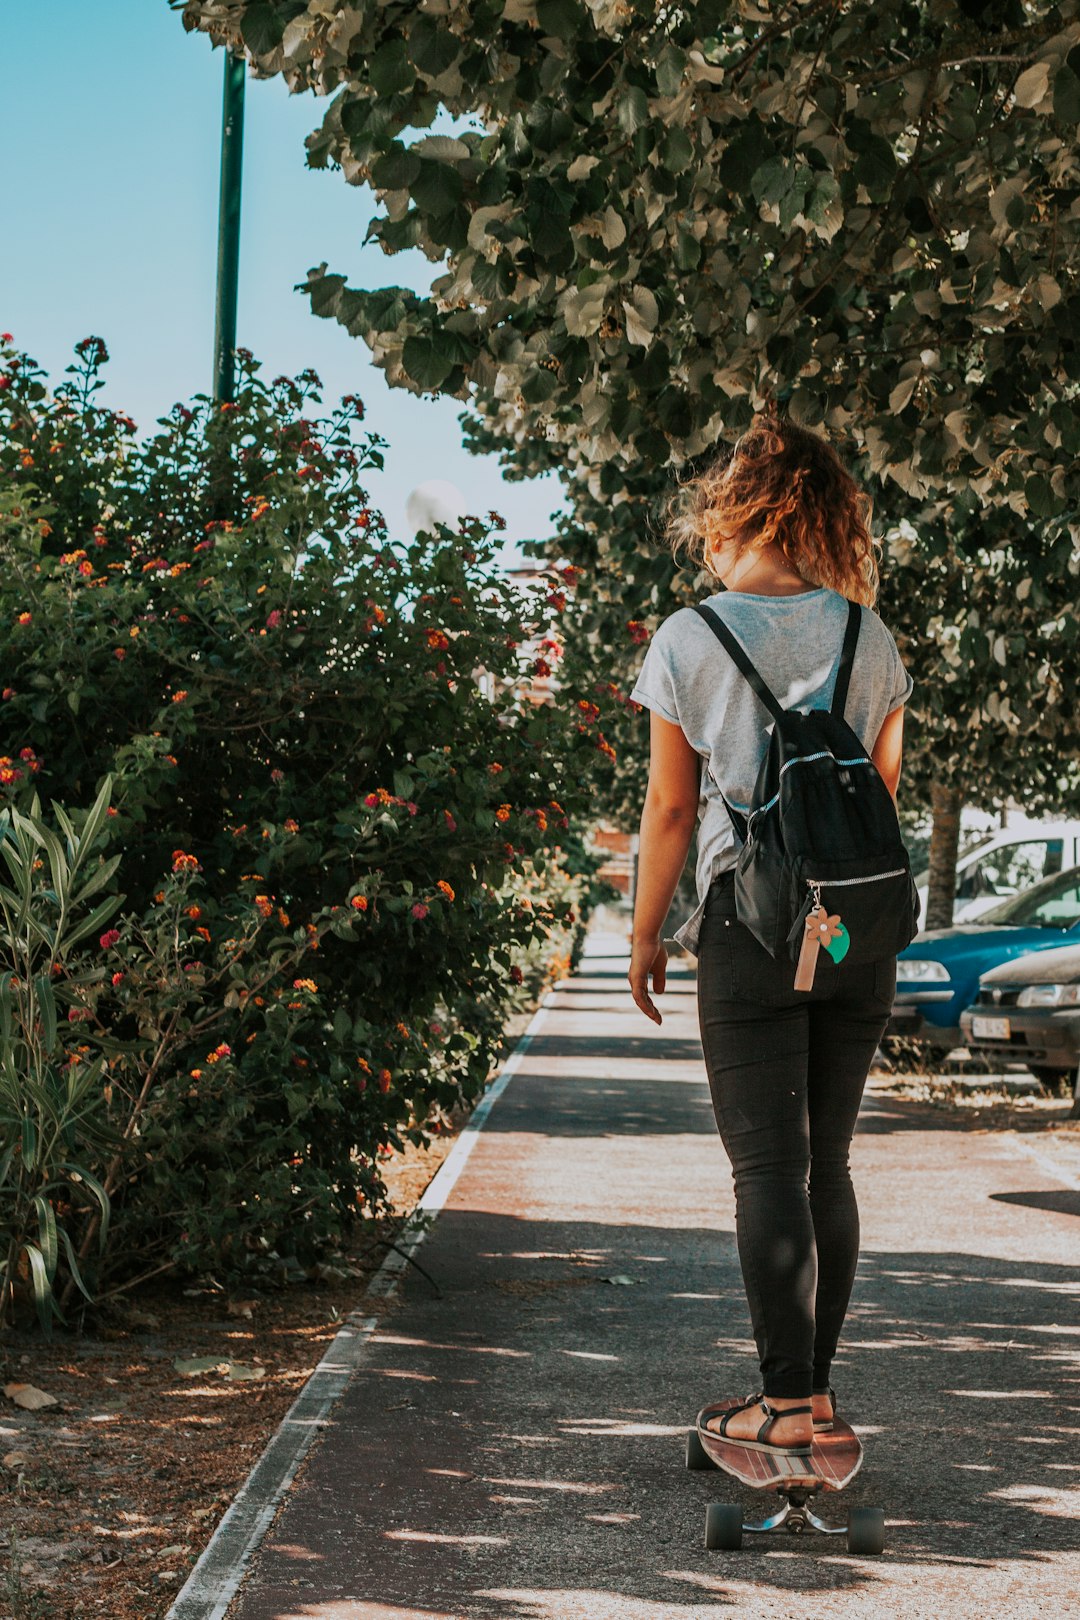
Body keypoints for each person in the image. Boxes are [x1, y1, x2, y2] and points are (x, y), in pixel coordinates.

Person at [627, 415, 912, 1455]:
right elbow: (876, 792)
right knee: (826, 1164)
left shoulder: (689, 639)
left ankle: (781, 1407)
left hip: (748, 932)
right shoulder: (867, 636)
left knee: (767, 1171)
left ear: (730, 511)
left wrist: (646, 933)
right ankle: (817, 1399)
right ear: (825, 512)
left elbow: (668, 809)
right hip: (852, 936)